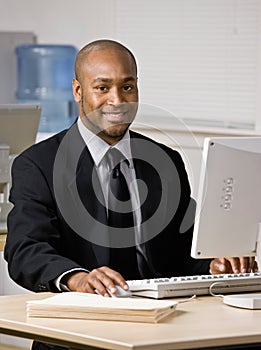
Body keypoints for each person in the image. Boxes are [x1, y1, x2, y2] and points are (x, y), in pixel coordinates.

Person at [4, 39, 258, 350]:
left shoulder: (165, 160)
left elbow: (183, 249)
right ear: (78, 91)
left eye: (127, 87)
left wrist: (214, 263)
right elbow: (24, 249)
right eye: (102, 88)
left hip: (166, 322)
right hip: (85, 327)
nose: (117, 100)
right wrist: (78, 279)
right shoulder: (38, 164)